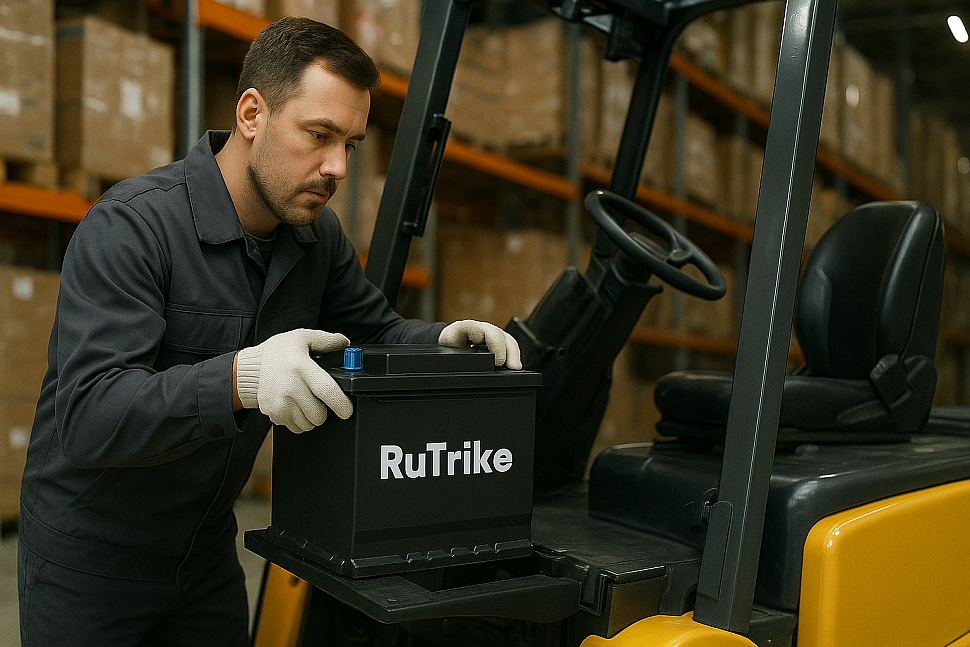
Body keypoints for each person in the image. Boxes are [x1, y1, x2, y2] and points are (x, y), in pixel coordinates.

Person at [18, 16, 520, 646]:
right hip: (91, 563)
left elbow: (376, 332)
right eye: (319, 135)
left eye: (351, 145)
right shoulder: (133, 228)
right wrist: (243, 379)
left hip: (204, 556)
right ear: (252, 114)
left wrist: (443, 342)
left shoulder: (315, 239)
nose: (337, 167)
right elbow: (92, 416)